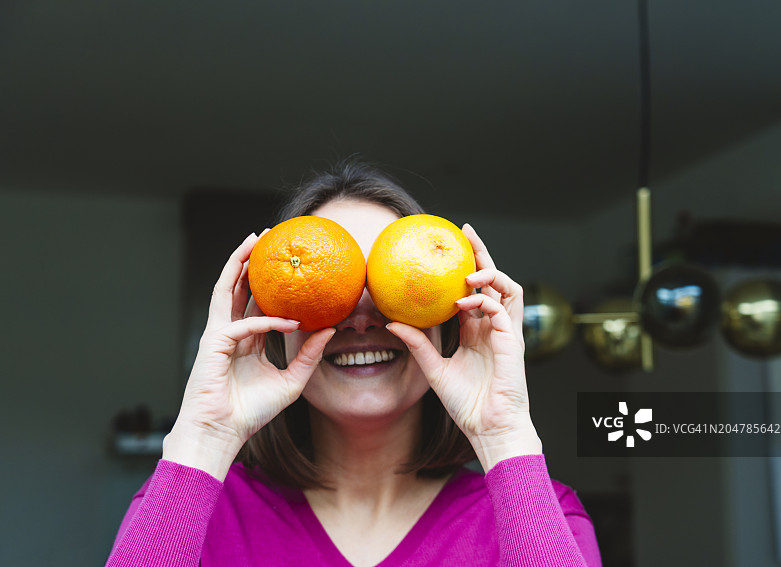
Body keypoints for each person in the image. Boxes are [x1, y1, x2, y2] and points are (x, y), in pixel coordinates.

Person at [105, 160, 602, 567]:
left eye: (390, 282)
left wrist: (505, 433)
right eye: (335, 283)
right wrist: (203, 436)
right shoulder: (188, 506)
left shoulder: (540, 513)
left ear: (451, 312)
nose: (360, 317)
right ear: (276, 320)